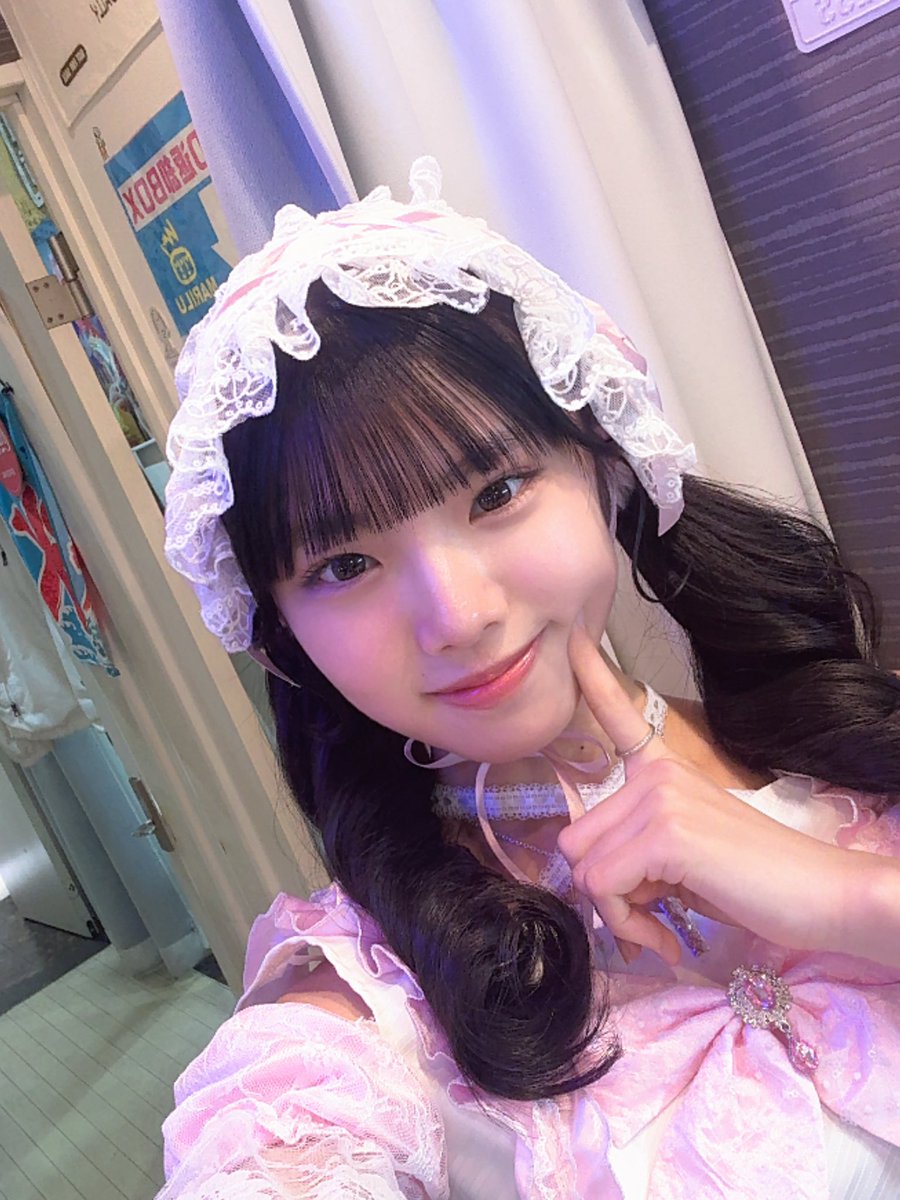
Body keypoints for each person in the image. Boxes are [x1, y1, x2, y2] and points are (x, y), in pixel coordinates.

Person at [158, 158, 900, 1199]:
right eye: (345, 564)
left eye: (497, 491)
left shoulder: (835, 730)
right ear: (280, 632)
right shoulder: (360, 1003)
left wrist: (850, 896)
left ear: (599, 460)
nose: (458, 615)